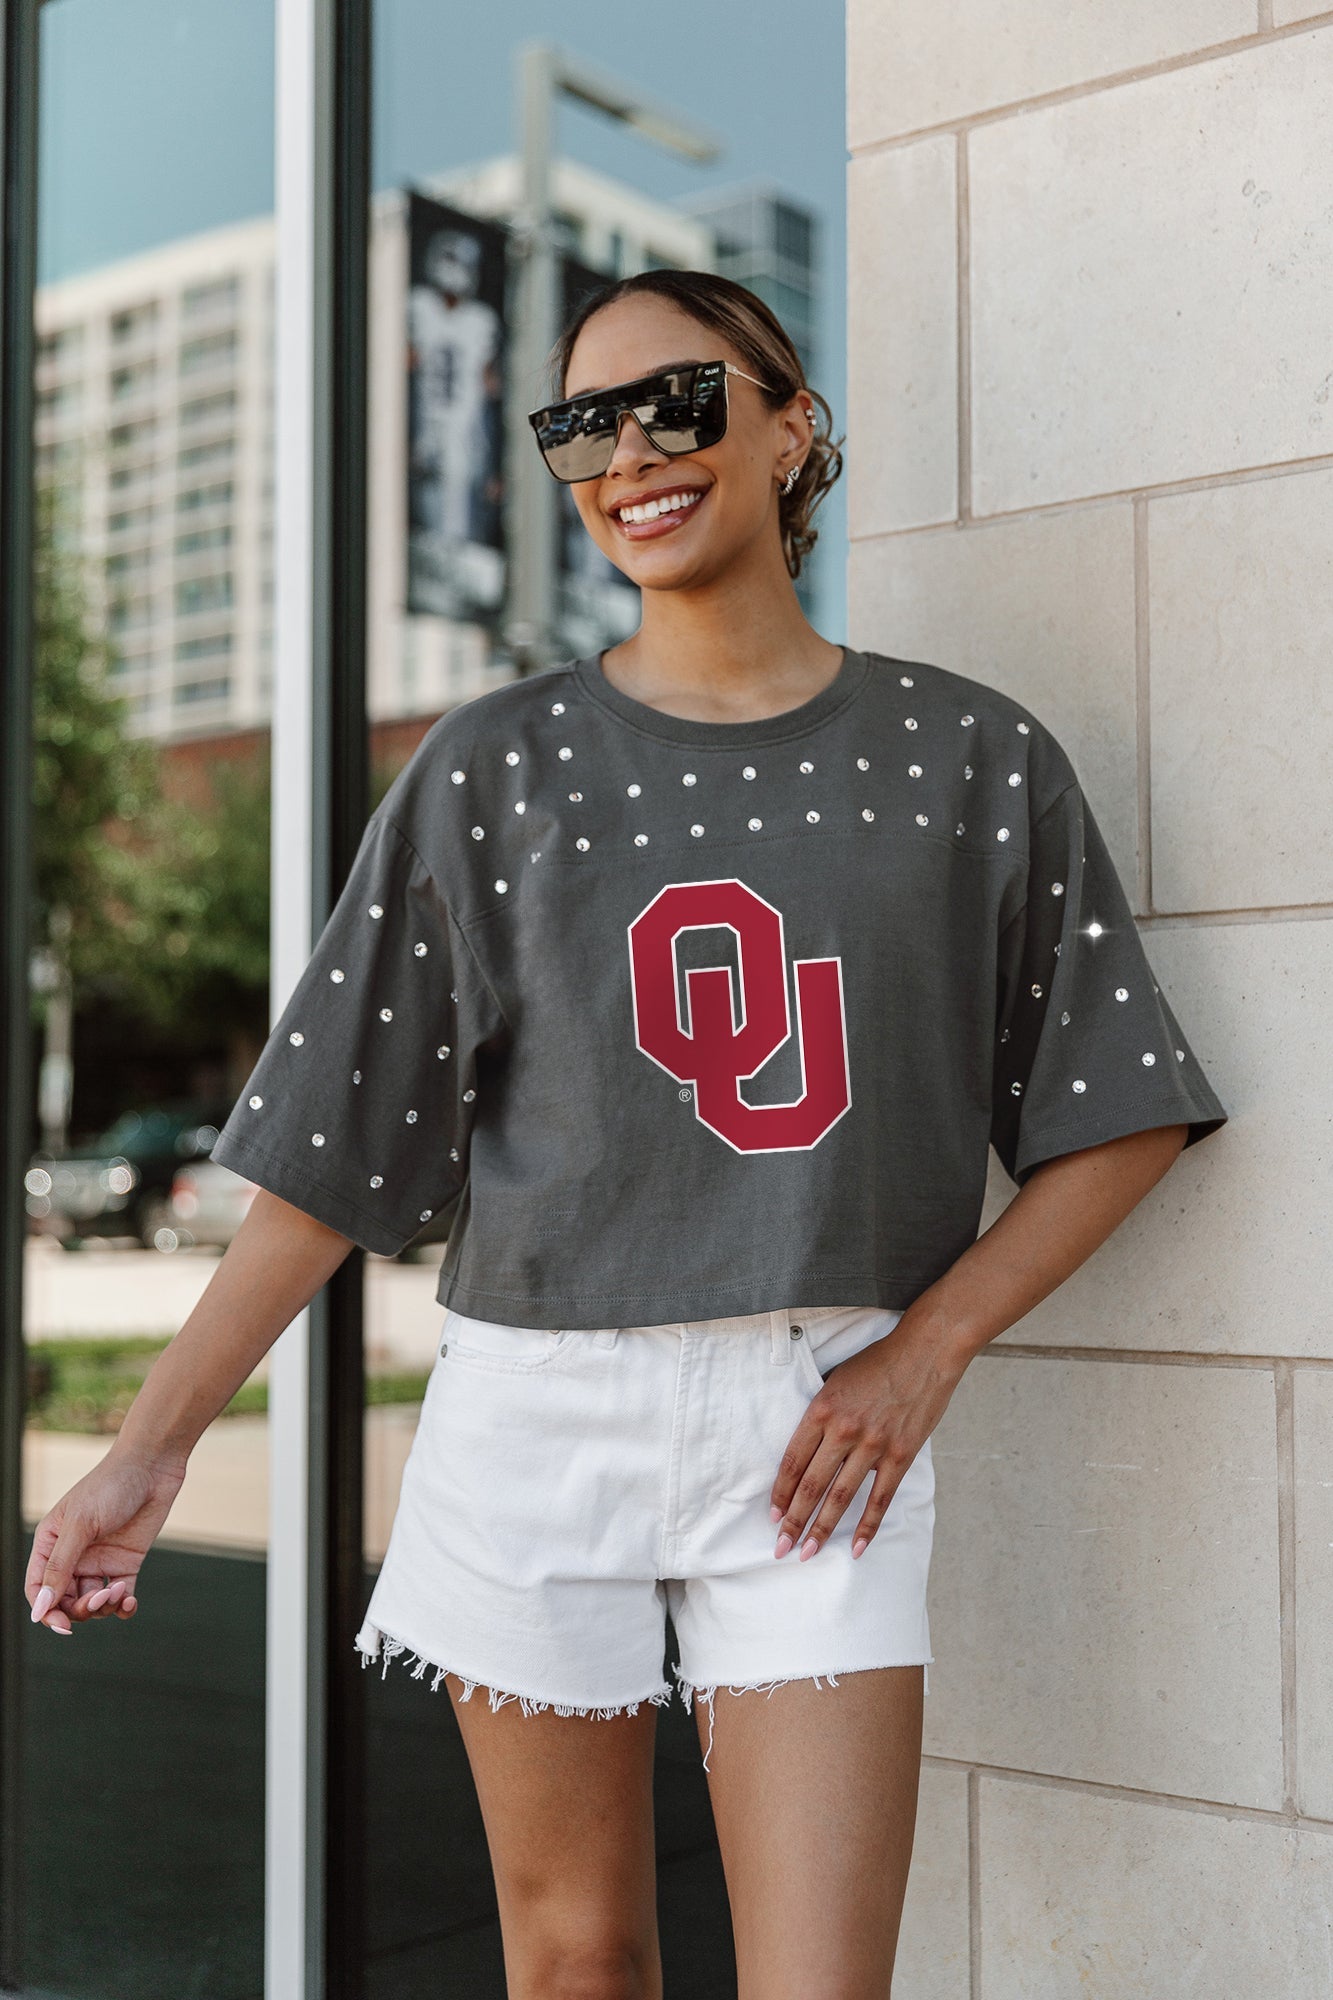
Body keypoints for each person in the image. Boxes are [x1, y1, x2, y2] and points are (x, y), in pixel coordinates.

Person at [25, 269, 1228, 1998]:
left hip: (823, 1426)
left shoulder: (968, 757)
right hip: (535, 1415)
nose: (628, 456)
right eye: (580, 424)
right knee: (575, 1962)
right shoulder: (491, 767)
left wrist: (927, 1349)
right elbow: (329, 1154)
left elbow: (1120, 1109)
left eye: (678, 400)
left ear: (790, 421)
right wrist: (151, 1447)